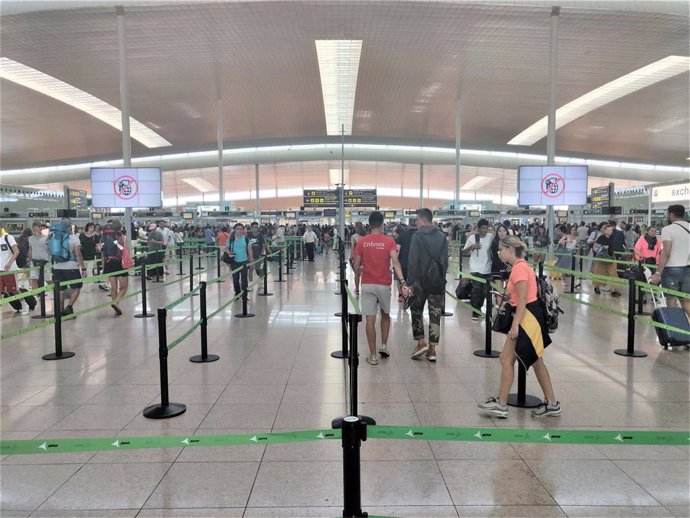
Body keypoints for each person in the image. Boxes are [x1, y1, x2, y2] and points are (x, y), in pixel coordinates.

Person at [478, 235, 559, 418]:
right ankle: (504, 402)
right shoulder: (519, 267)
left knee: (529, 360)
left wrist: (515, 326)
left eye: (500, 249)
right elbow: (520, 295)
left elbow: (523, 300)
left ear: (509, 249)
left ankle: (507, 404)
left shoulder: (520, 269)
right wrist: (508, 297)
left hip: (527, 319)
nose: (498, 252)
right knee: (511, 359)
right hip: (526, 317)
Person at [353, 211, 408, 366]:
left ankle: (373, 355)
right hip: (384, 284)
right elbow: (395, 262)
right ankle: (383, 346)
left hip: (368, 284)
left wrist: (362, 269)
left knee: (370, 319)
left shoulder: (362, 242)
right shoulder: (389, 241)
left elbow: (356, 266)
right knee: (385, 314)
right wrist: (402, 281)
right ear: (382, 224)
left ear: (369, 225)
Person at [406, 209, 447, 362]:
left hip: (419, 282)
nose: (416, 222)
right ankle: (432, 350)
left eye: (417, 219)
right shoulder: (442, 237)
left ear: (423, 219)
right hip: (436, 282)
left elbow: (412, 260)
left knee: (416, 310)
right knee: (435, 314)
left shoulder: (417, 236)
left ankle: (421, 342)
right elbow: (445, 262)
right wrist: (441, 279)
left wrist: (410, 283)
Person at [650, 205, 690, 319]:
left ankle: (674, 329)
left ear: (671, 214)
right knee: (687, 300)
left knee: (671, 300)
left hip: (672, 269)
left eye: (667, 214)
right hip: (687, 269)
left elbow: (666, 253)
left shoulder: (667, 229)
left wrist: (657, 273)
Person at [50, 218, 86, 316]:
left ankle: (60, 310)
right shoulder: (74, 238)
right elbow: (78, 255)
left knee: (60, 289)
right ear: (70, 226)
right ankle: (69, 307)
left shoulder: (54, 236)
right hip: (71, 267)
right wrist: (83, 268)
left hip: (57, 266)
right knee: (77, 287)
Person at [462, 218, 494, 321]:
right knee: (476, 289)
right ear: (479, 229)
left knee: (485, 291)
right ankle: (475, 312)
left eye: (486, 228)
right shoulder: (472, 238)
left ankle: (479, 309)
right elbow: (464, 252)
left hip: (487, 268)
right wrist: (472, 246)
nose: (485, 230)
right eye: (483, 228)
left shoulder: (490, 237)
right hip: (475, 268)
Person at [101, 220, 129, 316]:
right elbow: (126, 251)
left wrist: (103, 265)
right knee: (124, 286)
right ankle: (115, 302)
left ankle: (115, 306)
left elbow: (102, 251)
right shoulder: (123, 237)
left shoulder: (105, 238)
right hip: (119, 263)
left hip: (108, 262)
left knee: (114, 287)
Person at [592, 224, 621, 296]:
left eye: (611, 230)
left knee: (613, 272)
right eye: (608, 230)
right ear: (604, 231)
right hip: (602, 257)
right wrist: (603, 247)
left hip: (611, 256)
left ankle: (614, 289)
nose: (610, 231)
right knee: (599, 272)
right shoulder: (600, 238)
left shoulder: (613, 237)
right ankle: (596, 286)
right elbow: (595, 248)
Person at [227, 223, 253, 295]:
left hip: (244, 261)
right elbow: (227, 248)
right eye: (237, 229)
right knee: (235, 279)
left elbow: (250, 250)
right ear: (234, 230)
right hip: (234, 262)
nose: (239, 230)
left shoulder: (246, 239)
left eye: (241, 229)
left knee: (244, 279)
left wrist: (251, 262)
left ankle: (244, 294)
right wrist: (230, 253)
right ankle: (237, 293)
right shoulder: (231, 239)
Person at [395, 219, 417, 302]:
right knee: (414, 280)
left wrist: (395, 263)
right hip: (416, 264)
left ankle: (402, 295)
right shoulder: (420, 235)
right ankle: (412, 295)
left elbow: (397, 250)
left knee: (401, 280)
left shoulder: (402, 236)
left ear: (409, 225)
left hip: (403, 263)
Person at [28, 221, 51, 290]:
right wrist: (29, 260)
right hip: (34, 261)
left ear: (41, 228)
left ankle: (57, 293)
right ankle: (35, 295)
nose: (35, 231)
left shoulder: (47, 238)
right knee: (34, 279)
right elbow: (30, 250)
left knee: (48, 279)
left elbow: (50, 249)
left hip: (45, 261)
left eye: (37, 229)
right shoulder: (30, 238)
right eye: (34, 229)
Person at [490, 224, 511, 289]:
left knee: (509, 289)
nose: (502, 233)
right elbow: (495, 258)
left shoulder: (510, 243)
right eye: (499, 231)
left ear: (507, 232)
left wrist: (509, 266)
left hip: (508, 268)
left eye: (504, 231)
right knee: (499, 290)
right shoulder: (494, 243)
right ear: (497, 232)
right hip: (496, 268)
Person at [350, 222, 367, 294]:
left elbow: (352, 248)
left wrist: (351, 257)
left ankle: (357, 289)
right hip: (365, 256)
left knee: (356, 274)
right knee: (363, 274)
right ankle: (364, 288)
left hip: (356, 256)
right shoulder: (366, 236)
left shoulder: (353, 237)